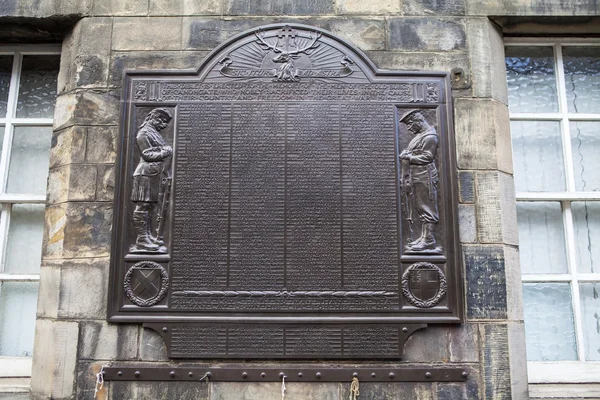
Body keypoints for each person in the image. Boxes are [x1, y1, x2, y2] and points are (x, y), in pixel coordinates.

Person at [130, 108, 173, 253]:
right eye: (162, 121)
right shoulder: (144, 133)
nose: (164, 125)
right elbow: (147, 154)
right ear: (153, 118)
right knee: (143, 206)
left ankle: (147, 237)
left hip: (153, 175)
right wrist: (164, 152)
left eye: (166, 122)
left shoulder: (154, 133)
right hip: (145, 174)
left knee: (148, 207)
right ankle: (142, 240)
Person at [399, 110, 440, 252]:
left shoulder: (430, 137)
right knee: (420, 207)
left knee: (427, 207)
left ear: (418, 121)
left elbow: (428, 157)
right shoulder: (420, 136)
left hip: (425, 177)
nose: (409, 128)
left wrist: (409, 157)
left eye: (410, 124)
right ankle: (424, 237)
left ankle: (429, 240)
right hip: (418, 176)